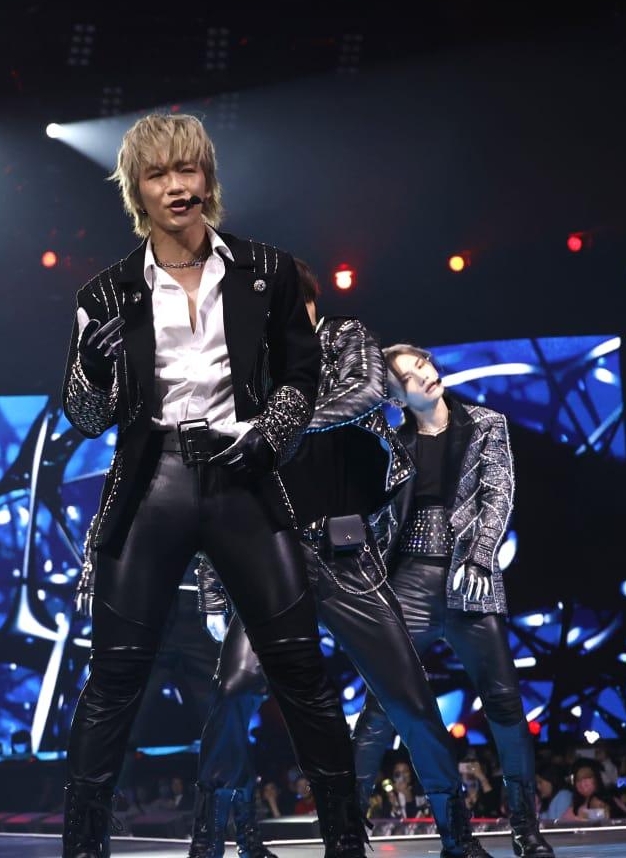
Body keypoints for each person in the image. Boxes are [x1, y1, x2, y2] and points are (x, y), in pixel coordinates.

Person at [59, 113, 365, 857]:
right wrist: (92, 368)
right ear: (136, 189)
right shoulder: (106, 292)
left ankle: (347, 845)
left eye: (187, 170)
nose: (177, 187)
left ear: (208, 178)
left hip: (243, 476)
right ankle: (83, 849)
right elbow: (86, 416)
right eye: (159, 174)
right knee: (114, 678)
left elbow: (302, 375)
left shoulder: (269, 271)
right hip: (152, 482)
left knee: (300, 667)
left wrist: (268, 434)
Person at [189, 259, 495, 858]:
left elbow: (366, 393)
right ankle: (212, 837)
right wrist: (211, 590)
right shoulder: (242, 373)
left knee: (409, 699)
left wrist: (276, 429)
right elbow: (216, 491)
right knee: (235, 689)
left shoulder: (345, 336)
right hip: (272, 559)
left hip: (347, 557)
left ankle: (457, 838)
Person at [353, 345, 553, 858]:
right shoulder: (391, 443)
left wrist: (482, 556)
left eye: (423, 364)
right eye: (409, 376)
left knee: (505, 702)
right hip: (409, 582)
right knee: (382, 706)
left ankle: (526, 830)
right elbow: (374, 512)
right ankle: (349, 826)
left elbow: (499, 495)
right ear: (396, 397)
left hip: (470, 576)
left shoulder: (485, 423)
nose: (425, 374)